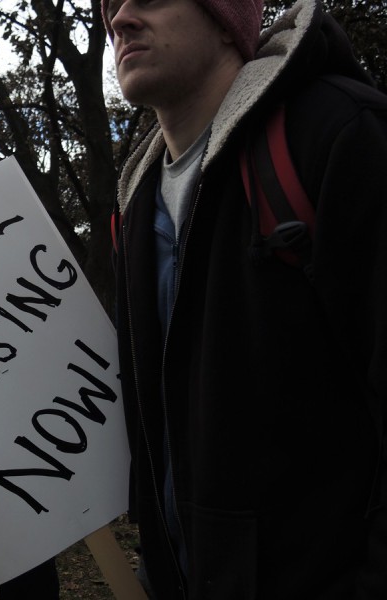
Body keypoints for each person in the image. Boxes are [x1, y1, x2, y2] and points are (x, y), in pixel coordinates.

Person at [103, 0, 387, 598]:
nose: (119, 19)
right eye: (109, 6)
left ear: (225, 16)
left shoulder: (337, 134)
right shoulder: (133, 210)